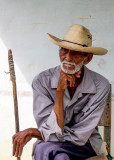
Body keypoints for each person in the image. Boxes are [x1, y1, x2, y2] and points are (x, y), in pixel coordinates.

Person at [12, 24, 110, 160]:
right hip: (52, 146)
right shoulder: (42, 81)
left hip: (86, 146)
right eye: (64, 50)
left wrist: (34, 132)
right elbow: (50, 132)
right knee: (59, 157)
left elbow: (80, 136)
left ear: (87, 58)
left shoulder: (100, 85)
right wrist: (60, 90)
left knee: (45, 149)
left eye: (75, 52)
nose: (68, 58)